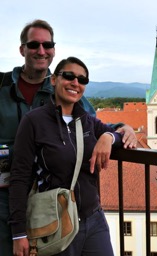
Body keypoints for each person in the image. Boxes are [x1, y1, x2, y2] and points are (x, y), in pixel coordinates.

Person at [0, 19, 137, 256]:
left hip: (56, 204)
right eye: (34, 44)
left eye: (47, 45)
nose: (41, 50)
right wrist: (19, 232)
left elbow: (95, 124)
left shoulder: (69, 98)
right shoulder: (2, 88)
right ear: (22, 49)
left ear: (53, 50)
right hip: (7, 199)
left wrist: (116, 132)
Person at [9, 56, 122, 256]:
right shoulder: (33, 121)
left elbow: (118, 135)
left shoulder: (87, 121)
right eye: (68, 76)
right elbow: (19, 177)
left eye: (82, 80)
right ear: (54, 80)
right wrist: (18, 233)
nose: (75, 83)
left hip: (93, 218)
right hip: (55, 222)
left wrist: (107, 136)